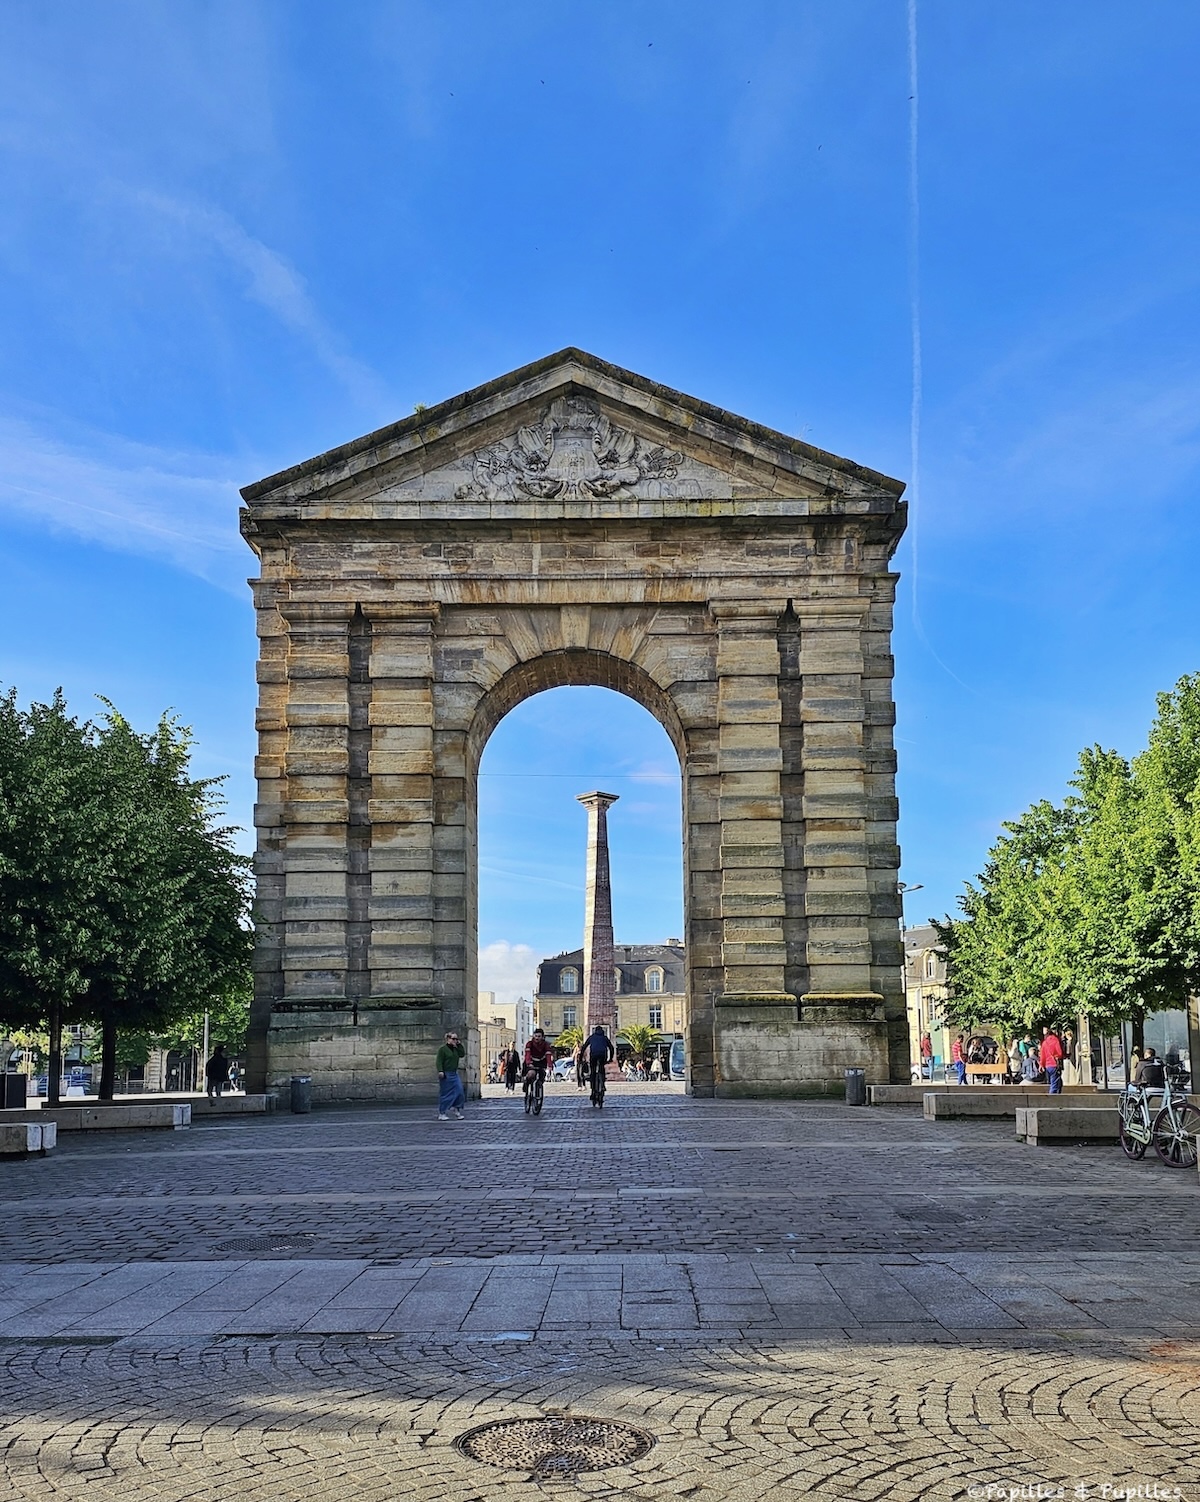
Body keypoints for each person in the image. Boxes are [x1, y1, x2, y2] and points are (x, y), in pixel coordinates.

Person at [436, 1030, 466, 1121]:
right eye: (453, 1039)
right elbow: (439, 1061)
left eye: (456, 1039)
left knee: (460, 1091)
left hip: (454, 1073)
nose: (455, 1040)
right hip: (446, 1074)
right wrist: (440, 1071)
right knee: (446, 1094)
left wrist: (459, 1045)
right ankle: (442, 1113)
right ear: (448, 1039)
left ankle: (456, 1109)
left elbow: (462, 1054)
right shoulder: (443, 1049)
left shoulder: (456, 1049)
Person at [582, 1024, 614, 1105]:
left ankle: (593, 1089)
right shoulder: (604, 1038)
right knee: (601, 1069)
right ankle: (602, 1084)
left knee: (593, 1072)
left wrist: (581, 1058)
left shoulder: (592, 1037)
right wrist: (610, 1058)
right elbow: (611, 1048)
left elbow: (584, 1047)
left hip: (593, 1055)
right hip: (603, 1055)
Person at [523, 1028, 553, 1100]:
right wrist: (529, 1063)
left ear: (542, 1037)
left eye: (539, 1036)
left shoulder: (546, 1045)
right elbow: (527, 1054)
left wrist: (549, 1066)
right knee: (531, 1074)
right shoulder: (529, 1044)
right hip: (531, 1061)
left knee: (542, 1075)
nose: (537, 1038)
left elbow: (548, 1055)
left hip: (541, 1061)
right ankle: (526, 1084)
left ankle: (539, 1088)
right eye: (536, 1036)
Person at [1040, 1025, 1065, 1094]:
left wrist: (1041, 1065)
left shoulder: (1044, 1042)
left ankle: (1058, 1095)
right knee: (1054, 1083)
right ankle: (1051, 1097)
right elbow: (1060, 1053)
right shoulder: (1056, 1040)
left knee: (1057, 1081)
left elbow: (1042, 1056)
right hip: (1054, 1064)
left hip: (1048, 1065)